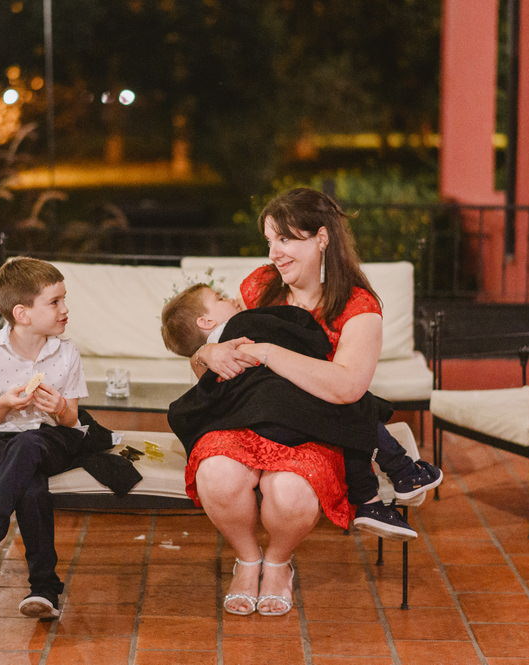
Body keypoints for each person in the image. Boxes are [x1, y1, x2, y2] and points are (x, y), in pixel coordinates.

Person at [183, 187, 440, 617]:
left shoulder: (358, 307)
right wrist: (205, 354)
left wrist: (267, 352)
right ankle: (247, 560)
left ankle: (278, 563)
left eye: (286, 239)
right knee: (217, 475)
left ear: (322, 238)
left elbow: (345, 388)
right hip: (248, 417)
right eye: (270, 241)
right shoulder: (260, 286)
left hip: (317, 427)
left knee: (288, 491)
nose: (275, 253)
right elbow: (217, 357)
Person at [160, 283, 439, 511]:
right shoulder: (243, 324)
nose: (231, 298)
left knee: (345, 413)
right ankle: (398, 472)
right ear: (206, 320)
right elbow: (294, 334)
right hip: (279, 412)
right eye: (220, 298)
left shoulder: (228, 337)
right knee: (352, 408)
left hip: (264, 419)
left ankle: (370, 497)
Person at [0, 257, 96, 620]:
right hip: (3, 440)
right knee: (30, 483)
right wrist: (4, 403)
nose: (65, 309)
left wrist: (59, 406)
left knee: (31, 443)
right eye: (55, 302)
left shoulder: (66, 352)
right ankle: (44, 588)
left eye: (64, 299)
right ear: (22, 313)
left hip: (54, 438)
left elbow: (72, 418)